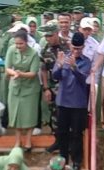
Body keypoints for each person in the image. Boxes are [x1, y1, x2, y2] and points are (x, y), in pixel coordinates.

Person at [52, 32, 91, 170]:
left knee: (76, 133)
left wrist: (74, 67)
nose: (76, 51)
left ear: (83, 47)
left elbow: (83, 79)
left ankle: (76, 160)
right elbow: (55, 76)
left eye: (79, 49)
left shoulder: (86, 61)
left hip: (78, 104)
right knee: (62, 132)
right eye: (74, 48)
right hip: (63, 102)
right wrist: (60, 65)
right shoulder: (63, 57)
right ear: (70, 46)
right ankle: (63, 158)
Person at [5, 29, 41, 150]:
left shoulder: (34, 53)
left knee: (29, 115)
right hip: (15, 86)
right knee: (16, 115)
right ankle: (17, 140)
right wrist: (14, 73)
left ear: (26, 42)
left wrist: (21, 74)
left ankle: (28, 141)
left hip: (30, 87)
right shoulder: (11, 50)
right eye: (17, 44)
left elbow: (33, 72)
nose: (18, 46)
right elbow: (7, 68)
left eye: (21, 43)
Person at [39, 23, 70, 153]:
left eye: (50, 36)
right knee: (54, 115)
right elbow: (43, 70)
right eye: (46, 36)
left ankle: (68, 143)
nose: (48, 39)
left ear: (57, 33)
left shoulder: (68, 46)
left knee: (66, 115)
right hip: (53, 87)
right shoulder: (45, 50)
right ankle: (57, 141)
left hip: (67, 87)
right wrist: (46, 88)